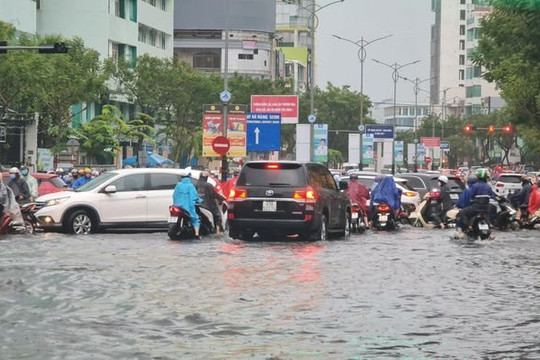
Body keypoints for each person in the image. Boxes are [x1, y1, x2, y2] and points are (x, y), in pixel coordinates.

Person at [455, 168, 498, 237]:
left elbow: (471, 197)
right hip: (486, 209)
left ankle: (469, 226)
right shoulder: (488, 186)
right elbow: (493, 196)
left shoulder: (474, 186)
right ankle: (491, 233)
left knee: (462, 213)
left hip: (475, 208)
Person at [173, 169, 202, 239]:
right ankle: (197, 234)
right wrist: (200, 200)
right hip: (188, 207)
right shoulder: (190, 186)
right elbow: (194, 197)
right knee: (195, 219)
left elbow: (174, 195)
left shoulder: (178, 185)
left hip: (177, 206)